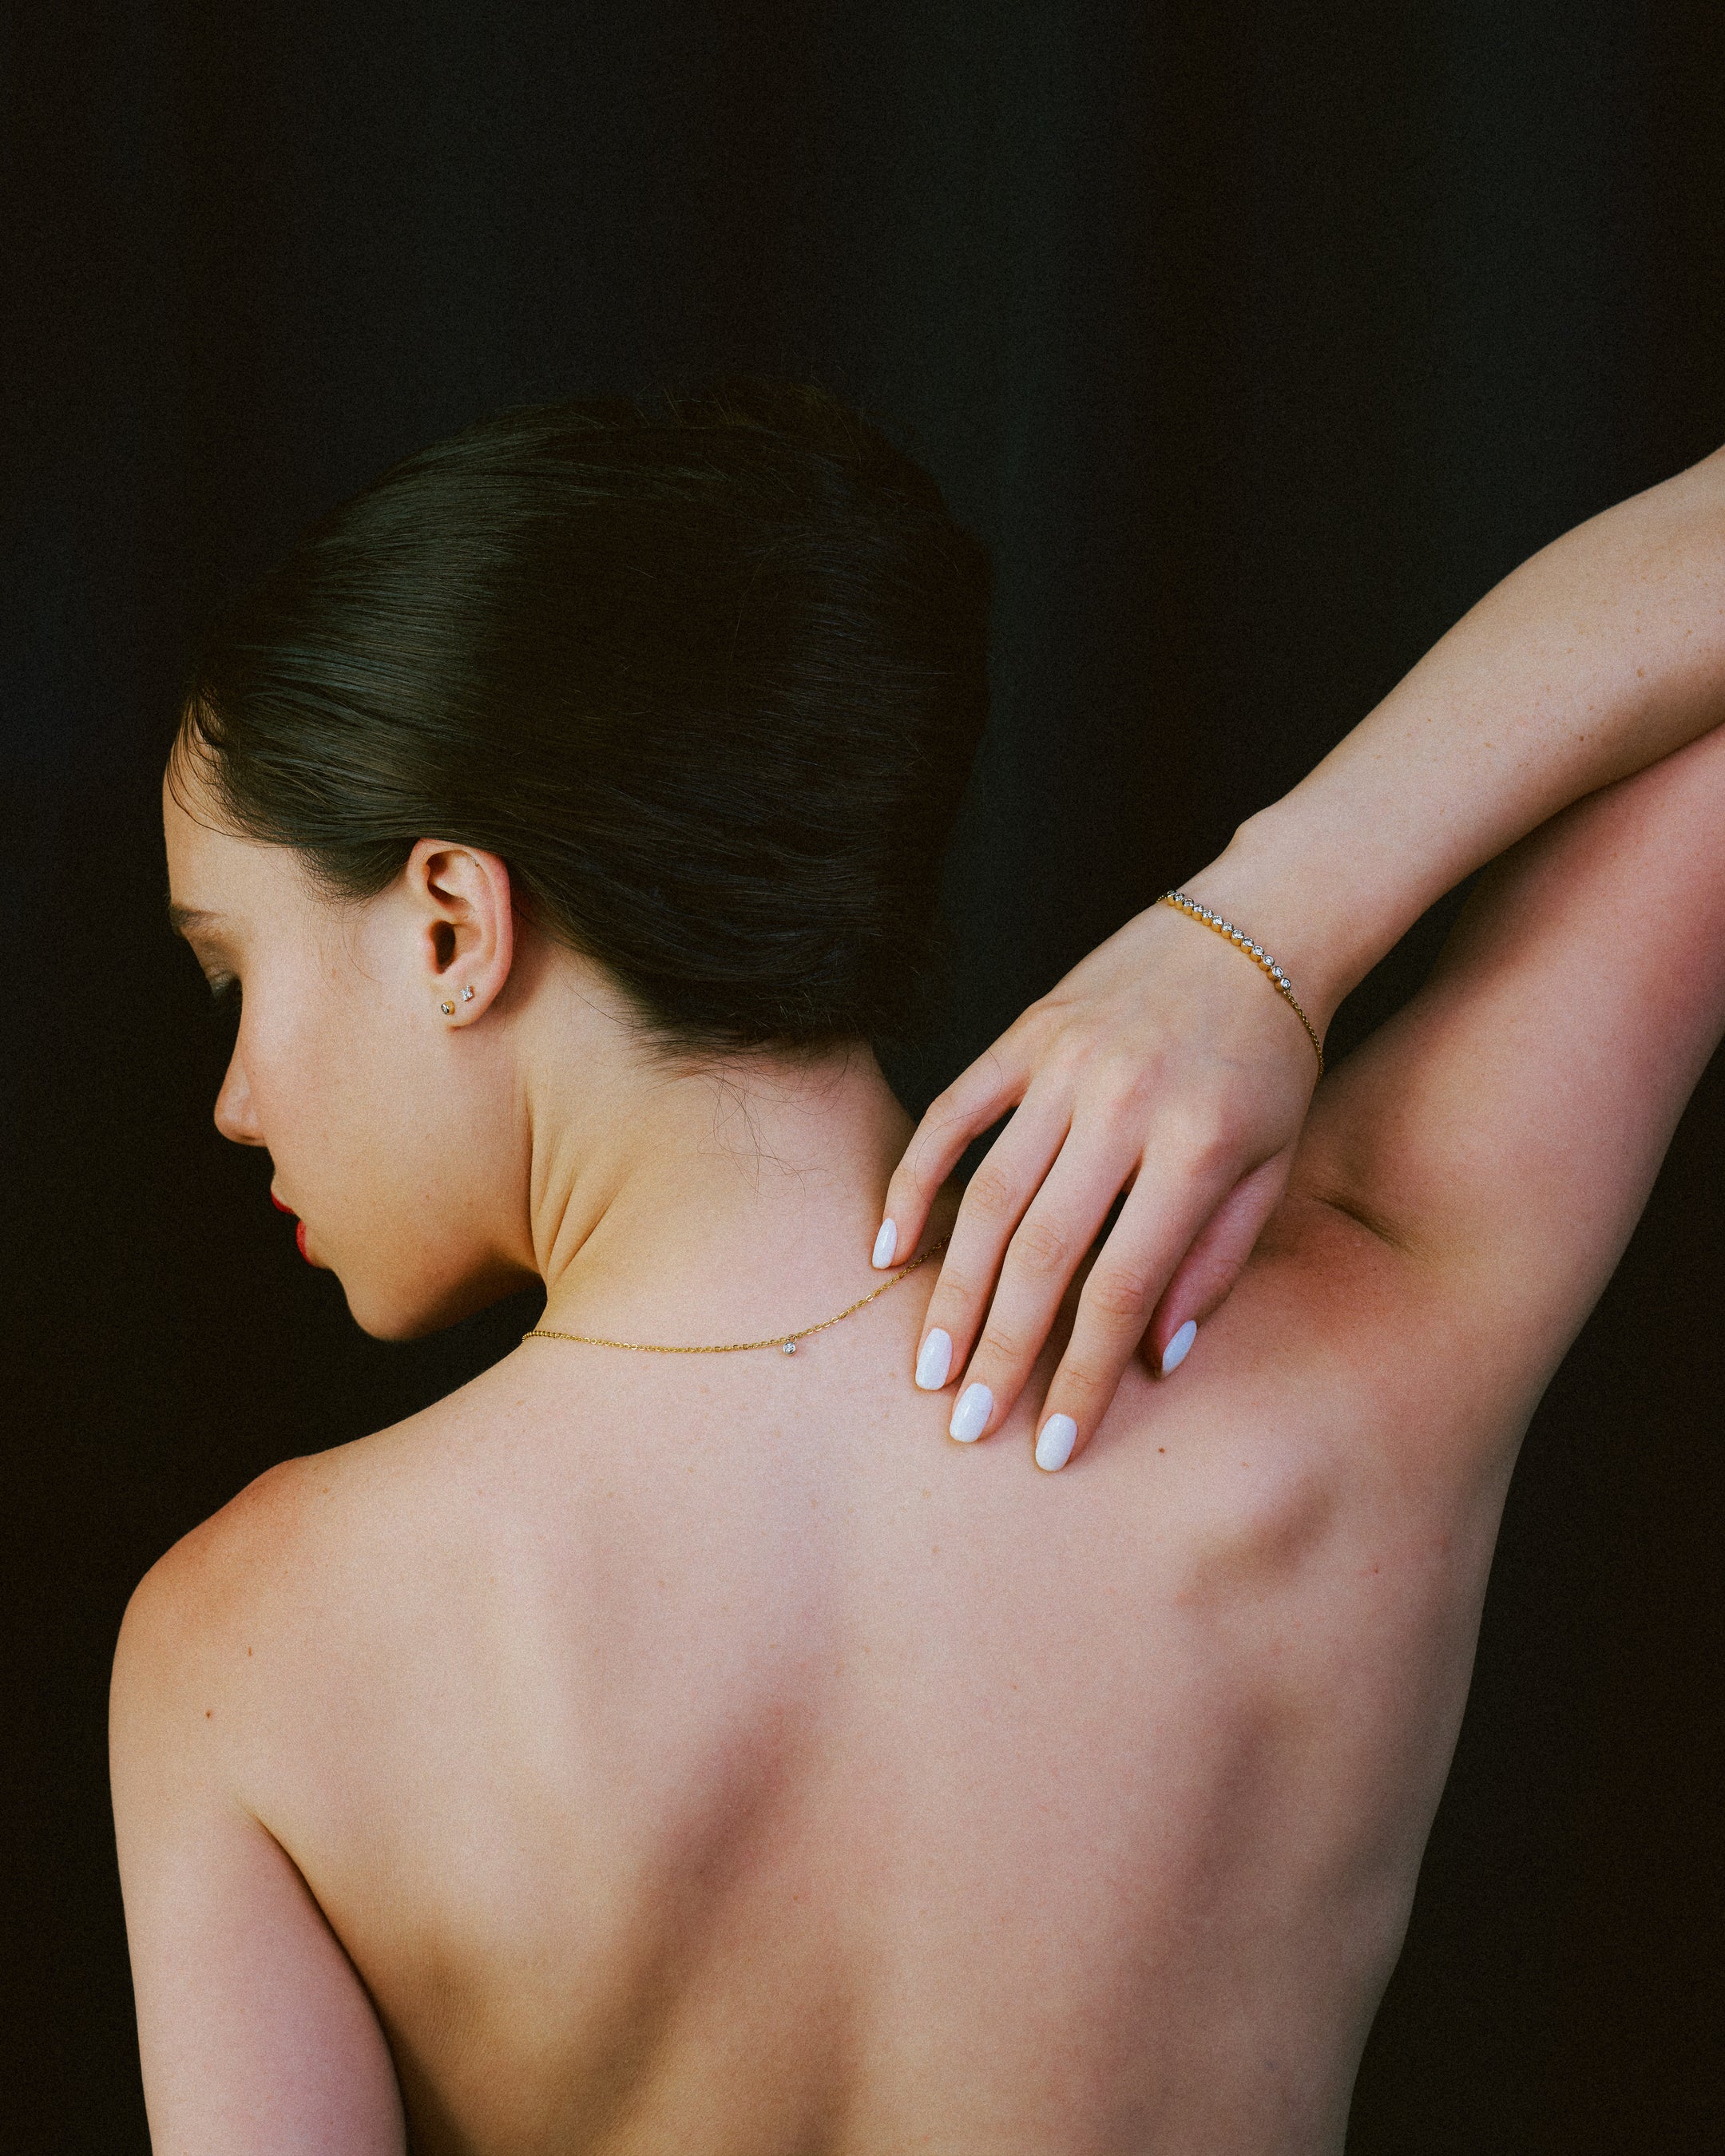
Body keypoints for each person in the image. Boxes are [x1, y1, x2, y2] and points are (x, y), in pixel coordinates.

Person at [112, 380, 1725, 2154]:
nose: (237, 1102)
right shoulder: (1357, 1353)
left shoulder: (243, 1648)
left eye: (231, 977)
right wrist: (1263, 928)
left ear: (450, 925)